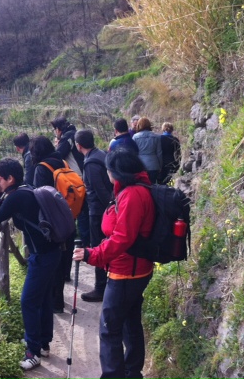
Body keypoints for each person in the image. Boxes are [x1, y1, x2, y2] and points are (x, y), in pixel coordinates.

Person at [73, 148, 155, 379]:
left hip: (125, 273)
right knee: (130, 323)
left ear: (115, 172)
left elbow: (122, 238)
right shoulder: (136, 190)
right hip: (136, 269)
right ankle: (132, 372)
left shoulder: (131, 196)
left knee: (109, 330)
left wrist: (93, 255)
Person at [0, 157, 60, 370]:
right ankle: (43, 344)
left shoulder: (15, 197)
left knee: (28, 301)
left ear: (10, 178)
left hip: (43, 256)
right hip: (51, 252)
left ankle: (33, 352)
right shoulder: (24, 188)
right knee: (43, 298)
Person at [29, 135, 75, 315]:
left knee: (53, 261)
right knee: (64, 257)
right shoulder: (62, 161)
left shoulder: (42, 168)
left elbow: (40, 196)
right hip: (68, 215)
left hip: (53, 221)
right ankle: (60, 295)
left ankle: (56, 302)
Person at [75, 129, 113, 302]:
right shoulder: (101, 154)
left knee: (98, 247)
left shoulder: (90, 163)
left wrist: (111, 210)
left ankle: (100, 288)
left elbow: (100, 190)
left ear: (78, 146)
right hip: (103, 209)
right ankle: (106, 284)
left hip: (98, 211)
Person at [51, 116, 86, 273]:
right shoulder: (74, 133)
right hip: (81, 176)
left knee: (76, 211)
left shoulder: (66, 137)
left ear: (58, 129)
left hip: (76, 178)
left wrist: (56, 145)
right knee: (83, 212)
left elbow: (58, 155)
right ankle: (84, 241)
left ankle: (83, 244)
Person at [132, 117, 163, 185]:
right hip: (154, 165)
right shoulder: (157, 137)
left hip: (140, 165)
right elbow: (159, 153)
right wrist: (160, 166)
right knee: (153, 186)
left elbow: (134, 153)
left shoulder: (135, 137)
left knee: (142, 186)